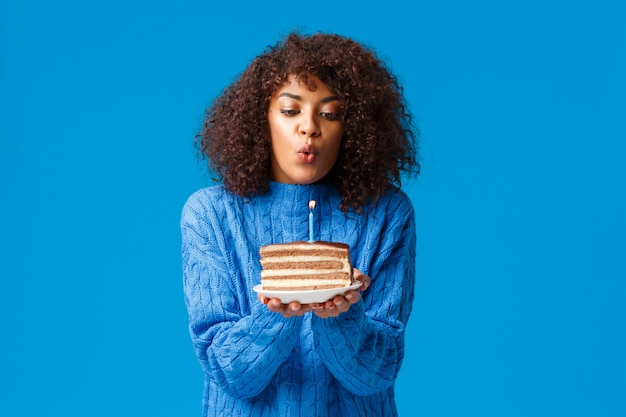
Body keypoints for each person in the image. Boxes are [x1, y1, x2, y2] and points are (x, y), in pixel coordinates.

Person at [181, 32, 420, 417]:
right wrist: (276, 310)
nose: (309, 128)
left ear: (354, 129)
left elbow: (377, 373)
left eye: (329, 113)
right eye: (291, 110)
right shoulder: (210, 214)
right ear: (262, 118)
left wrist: (343, 314)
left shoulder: (387, 213)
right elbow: (230, 372)